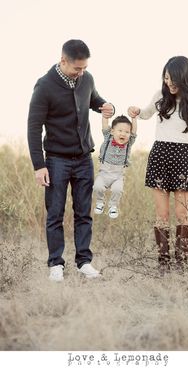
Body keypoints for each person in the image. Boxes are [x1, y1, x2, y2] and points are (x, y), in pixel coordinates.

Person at [27, 39, 114, 282]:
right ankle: (56, 264)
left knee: (83, 212)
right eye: (77, 68)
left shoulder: (87, 79)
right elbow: (33, 128)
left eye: (84, 68)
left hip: (84, 158)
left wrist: (106, 106)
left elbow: (94, 99)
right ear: (63, 60)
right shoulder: (44, 86)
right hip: (56, 160)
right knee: (55, 213)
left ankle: (84, 262)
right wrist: (38, 165)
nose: (81, 72)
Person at [128, 56, 188, 272]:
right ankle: (163, 263)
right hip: (160, 154)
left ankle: (181, 263)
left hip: (183, 156)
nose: (168, 83)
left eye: (172, 79)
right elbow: (146, 114)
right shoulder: (160, 95)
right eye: (166, 78)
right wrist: (136, 111)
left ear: (184, 78)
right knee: (162, 214)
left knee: (182, 214)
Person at [93, 114, 137, 218]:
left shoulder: (129, 143)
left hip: (118, 175)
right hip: (104, 173)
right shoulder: (108, 137)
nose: (123, 134)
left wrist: (134, 119)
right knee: (97, 186)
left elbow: (134, 132)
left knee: (118, 190)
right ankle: (100, 203)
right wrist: (105, 115)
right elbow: (104, 125)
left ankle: (113, 206)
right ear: (112, 131)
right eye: (120, 131)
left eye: (127, 132)